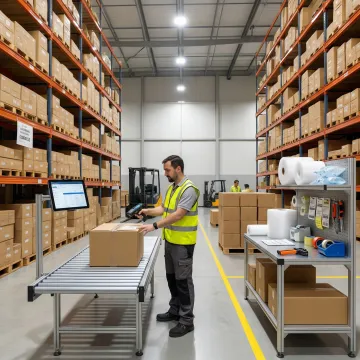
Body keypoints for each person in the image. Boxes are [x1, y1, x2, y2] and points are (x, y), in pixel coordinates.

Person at [138, 155, 200, 338]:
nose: (165, 173)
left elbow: (178, 215)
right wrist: (148, 211)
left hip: (183, 244)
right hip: (170, 241)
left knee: (183, 282)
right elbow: (164, 209)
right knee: (171, 279)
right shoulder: (172, 188)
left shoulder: (189, 189)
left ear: (178, 168)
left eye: (167, 170)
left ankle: (187, 320)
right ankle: (175, 310)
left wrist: (154, 226)